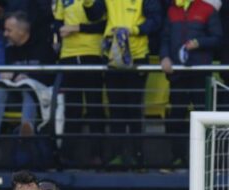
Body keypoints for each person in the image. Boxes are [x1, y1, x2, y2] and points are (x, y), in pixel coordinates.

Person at [160, 0, 222, 166]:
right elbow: (165, 38)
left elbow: (218, 38)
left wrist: (199, 43)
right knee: (176, 118)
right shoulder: (172, 10)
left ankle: (207, 161)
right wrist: (164, 57)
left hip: (200, 73)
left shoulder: (207, 9)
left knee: (204, 117)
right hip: (177, 74)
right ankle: (178, 158)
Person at [102, 0, 162, 166]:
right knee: (116, 109)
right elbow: (95, 15)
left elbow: (156, 21)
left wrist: (134, 30)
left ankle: (137, 156)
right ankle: (116, 155)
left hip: (137, 57)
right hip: (113, 56)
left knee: (133, 108)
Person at [0, 11, 56, 138]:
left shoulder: (43, 48)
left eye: (8, 30)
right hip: (14, 98)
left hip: (38, 98)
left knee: (28, 89)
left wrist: (31, 78)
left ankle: (26, 134)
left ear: (21, 32)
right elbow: (7, 75)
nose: (5, 34)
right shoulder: (9, 49)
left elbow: (51, 77)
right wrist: (8, 75)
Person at [53, 0, 107, 165]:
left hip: (92, 53)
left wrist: (77, 28)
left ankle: (97, 155)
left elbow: (103, 24)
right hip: (67, 56)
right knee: (72, 109)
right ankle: (66, 156)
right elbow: (57, 23)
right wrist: (58, 33)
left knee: (94, 106)